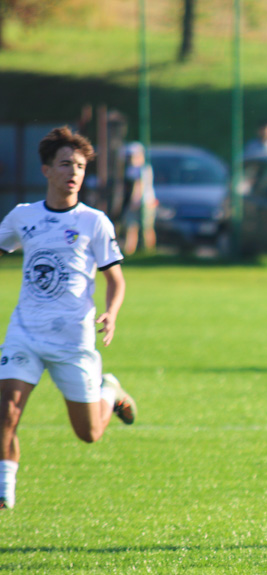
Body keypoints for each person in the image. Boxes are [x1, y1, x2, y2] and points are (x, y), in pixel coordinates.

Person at [0, 127, 137, 510]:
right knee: (7, 409)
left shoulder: (95, 222)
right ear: (46, 170)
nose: (73, 172)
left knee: (89, 433)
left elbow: (116, 279)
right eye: (64, 164)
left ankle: (109, 391)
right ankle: (4, 489)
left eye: (78, 166)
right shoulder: (23, 217)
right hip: (25, 333)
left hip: (73, 341)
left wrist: (111, 312)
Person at [121, 142, 157, 255]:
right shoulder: (132, 169)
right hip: (140, 202)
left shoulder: (142, 169)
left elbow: (138, 186)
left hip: (144, 202)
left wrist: (134, 201)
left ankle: (148, 251)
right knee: (132, 227)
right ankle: (130, 251)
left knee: (145, 228)